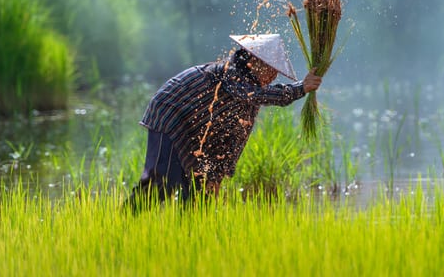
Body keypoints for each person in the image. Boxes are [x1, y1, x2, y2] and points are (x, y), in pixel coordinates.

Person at [126, 34, 322, 209]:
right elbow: (255, 94)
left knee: (200, 191)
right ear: (254, 61)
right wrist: (300, 88)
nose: (274, 76)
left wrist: (217, 175)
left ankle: (191, 237)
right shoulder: (233, 73)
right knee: (164, 178)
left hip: (194, 128)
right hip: (170, 113)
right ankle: (127, 220)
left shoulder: (249, 96)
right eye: (271, 69)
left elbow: (235, 138)